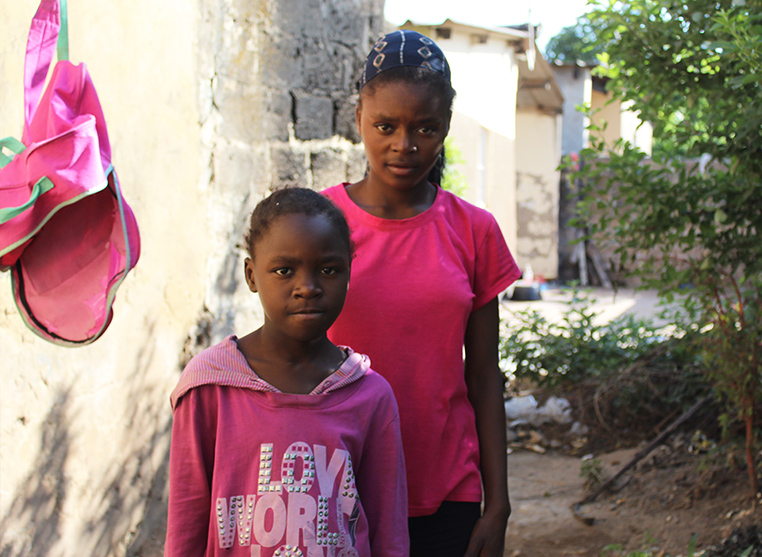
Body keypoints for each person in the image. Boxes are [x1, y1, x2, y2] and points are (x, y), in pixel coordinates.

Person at [323, 30, 521, 557]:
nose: (404, 145)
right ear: (359, 118)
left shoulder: (474, 231)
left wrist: (497, 504)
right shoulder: (318, 224)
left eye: (425, 128)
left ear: (446, 128)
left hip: (446, 491)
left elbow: (482, 375)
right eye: (385, 125)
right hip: (337, 484)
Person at [164, 188, 409, 557]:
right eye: (284, 271)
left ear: (348, 272)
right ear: (251, 275)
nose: (307, 288)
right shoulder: (209, 387)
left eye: (328, 270)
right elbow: (185, 528)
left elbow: (388, 533)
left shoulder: (370, 395)